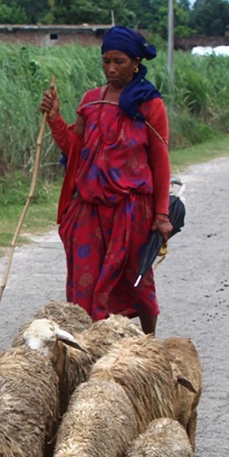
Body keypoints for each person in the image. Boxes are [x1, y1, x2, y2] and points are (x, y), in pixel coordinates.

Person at [38, 25, 173, 335]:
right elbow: (76, 150)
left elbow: (160, 162)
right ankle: (89, 345)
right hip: (89, 208)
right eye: (106, 61)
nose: (112, 69)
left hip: (131, 210)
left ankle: (149, 342)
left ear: (136, 62)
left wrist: (161, 215)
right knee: (84, 285)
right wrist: (55, 119)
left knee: (138, 282)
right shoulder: (91, 101)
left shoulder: (150, 105)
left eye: (120, 61)